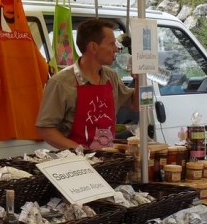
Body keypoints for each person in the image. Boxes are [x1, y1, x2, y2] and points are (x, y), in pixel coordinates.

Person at [36, 19, 139, 150]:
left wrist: (139, 79)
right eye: (111, 44)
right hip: (77, 163)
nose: (116, 49)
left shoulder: (110, 76)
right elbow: (44, 129)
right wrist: (80, 151)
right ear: (93, 47)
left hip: (108, 160)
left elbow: (134, 105)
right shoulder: (61, 82)